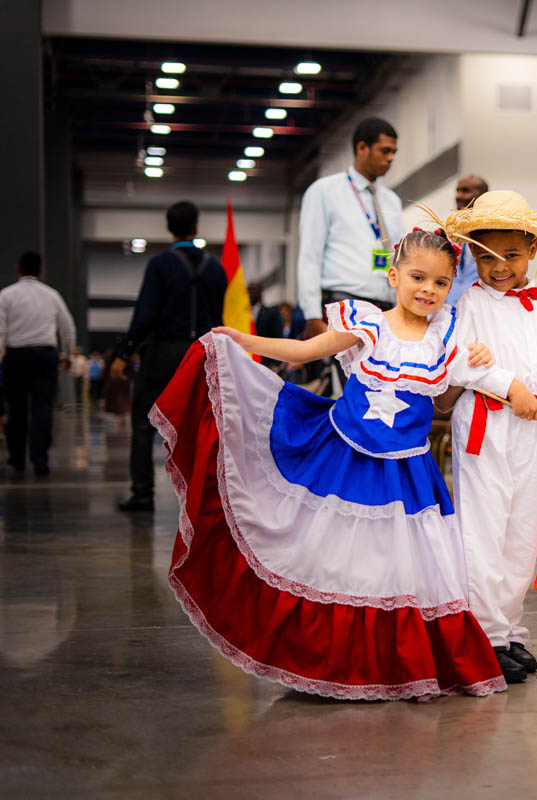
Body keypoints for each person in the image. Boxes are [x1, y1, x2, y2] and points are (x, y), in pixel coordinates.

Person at [151, 229, 506, 700]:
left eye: (441, 284)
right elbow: (302, 353)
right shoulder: (366, 324)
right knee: (345, 562)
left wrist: (470, 373)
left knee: (403, 567)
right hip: (348, 459)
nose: (428, 290)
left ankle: (400, 662)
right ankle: (337, 661)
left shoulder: (447, 339)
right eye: (418, 278)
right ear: (394, 275)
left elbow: (440, 403)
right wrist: (242, 338)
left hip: (410, 475)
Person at [429, 189, 537, 685]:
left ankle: (507, 627)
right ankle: (482, 632)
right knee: (483, 529)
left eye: (511, 255)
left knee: (522, 533)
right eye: (485, 257)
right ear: (471, 256)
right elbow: (457, 363)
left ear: (533, 250)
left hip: (534, 431)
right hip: (485, 426)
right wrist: (509, 385)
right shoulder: (466, 306)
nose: (499, 266)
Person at [112, 201, 226, 511]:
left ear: (168, 228)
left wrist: (125, 353)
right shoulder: (216, 268)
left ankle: (143, 493)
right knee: (201, 425)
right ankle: (204, 496)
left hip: (164, 353)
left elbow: (145, 314)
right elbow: (219, 318)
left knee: (143, 423)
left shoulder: (160, 265)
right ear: (197, 227)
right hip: (202, 355)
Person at [298, 117, 402, 337]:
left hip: (386, 306)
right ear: (362, 147)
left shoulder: (391, 200)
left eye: (394, 152)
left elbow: (398, 255)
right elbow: (310, 255)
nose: (391, 158)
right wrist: (312, 314)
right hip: (343, 303)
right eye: (385, 151)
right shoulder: (324, 191)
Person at [0, 251, 76, 476]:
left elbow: (1, 330)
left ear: (18, 269)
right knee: (42, 408)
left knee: (16, 410)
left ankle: (17, 459)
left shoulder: (6, 295)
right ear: (41, 271)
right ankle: (40, 460)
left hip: (16, 357)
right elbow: (68, 327)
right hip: (45, 356)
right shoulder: (52, 295)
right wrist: (67, 355)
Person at [446, 174, 489, 307]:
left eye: (465, 191)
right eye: (457, 191)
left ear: (482, 197)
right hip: (444, 313)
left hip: (478, 311)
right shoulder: (447, 234)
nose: (458, 196)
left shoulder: (493, 238)